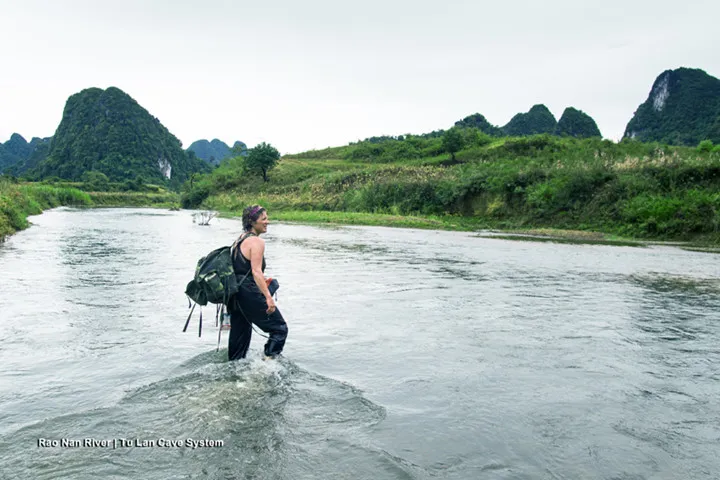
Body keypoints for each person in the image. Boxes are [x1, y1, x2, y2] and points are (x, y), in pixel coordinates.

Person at [226, 205, 288, 360]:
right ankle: (268, 366)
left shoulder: (239, 240)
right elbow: (256, 272)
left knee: (240, 340)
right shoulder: (256, 242)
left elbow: (241, 270)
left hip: (235, 295)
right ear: (252, 222)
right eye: (264, 219)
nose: (267, 222)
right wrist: (268, 298)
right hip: (248, 292)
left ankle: (233, 374)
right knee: (280, 329)